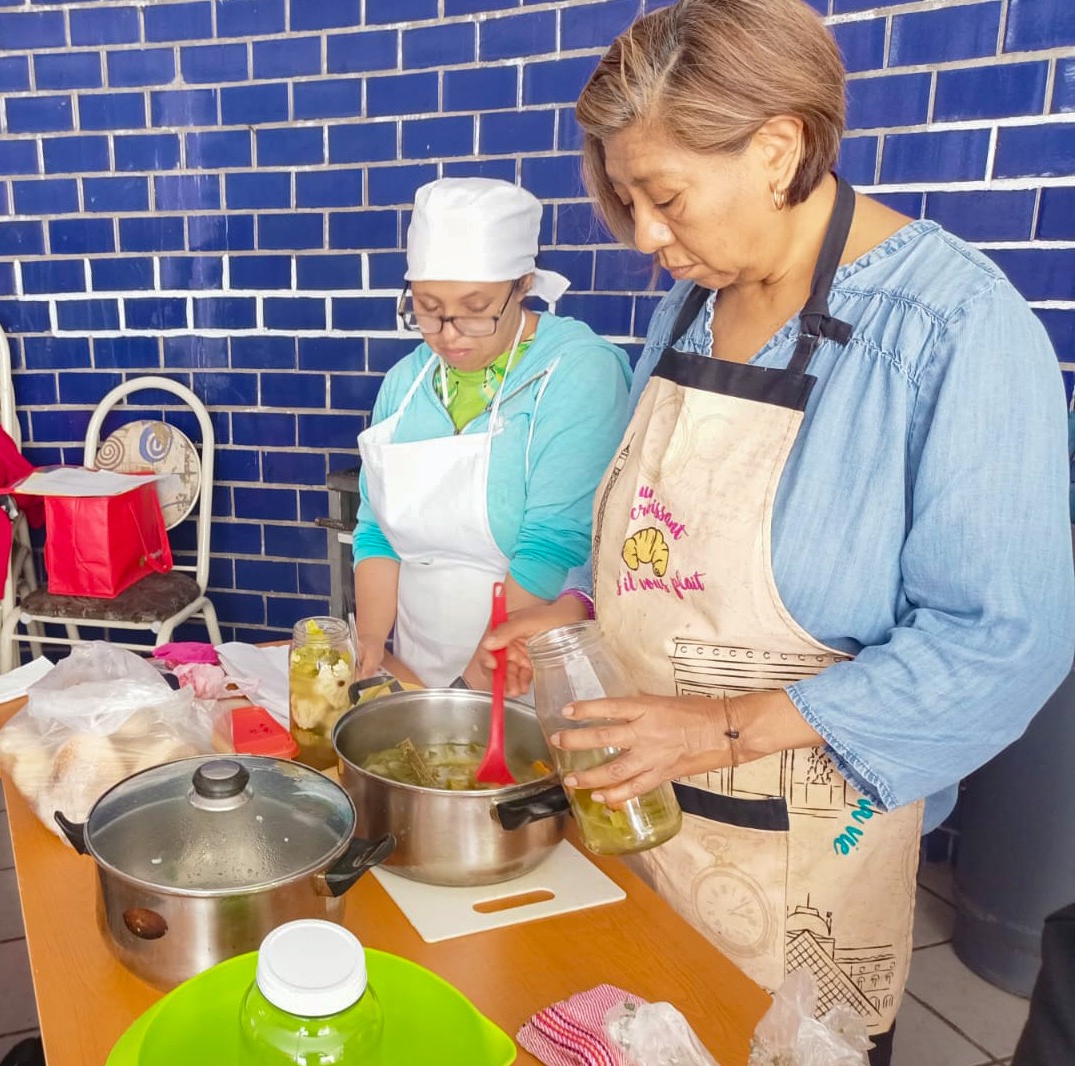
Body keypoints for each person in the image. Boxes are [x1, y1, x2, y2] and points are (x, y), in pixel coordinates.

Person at [464, 2, 1075, 1063]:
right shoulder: (691, 307)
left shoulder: (954, 330)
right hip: (638, 820)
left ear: (778, 148)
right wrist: (579, 612)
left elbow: (1000, 641)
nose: (644, 236)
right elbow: (665, 537)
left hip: (800, 870)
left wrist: (717, 728)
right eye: (625, 200)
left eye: (664, 198)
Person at [351, 177, 632, 687]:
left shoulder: (578, 372)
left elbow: (555, 545)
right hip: (418, 667)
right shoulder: (405, 383)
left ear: (523, 284)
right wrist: (370, 644)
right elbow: (376, 530)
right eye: (428, 309)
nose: (449, 334)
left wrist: (466, 697)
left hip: (532, 676)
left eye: (476, 310)